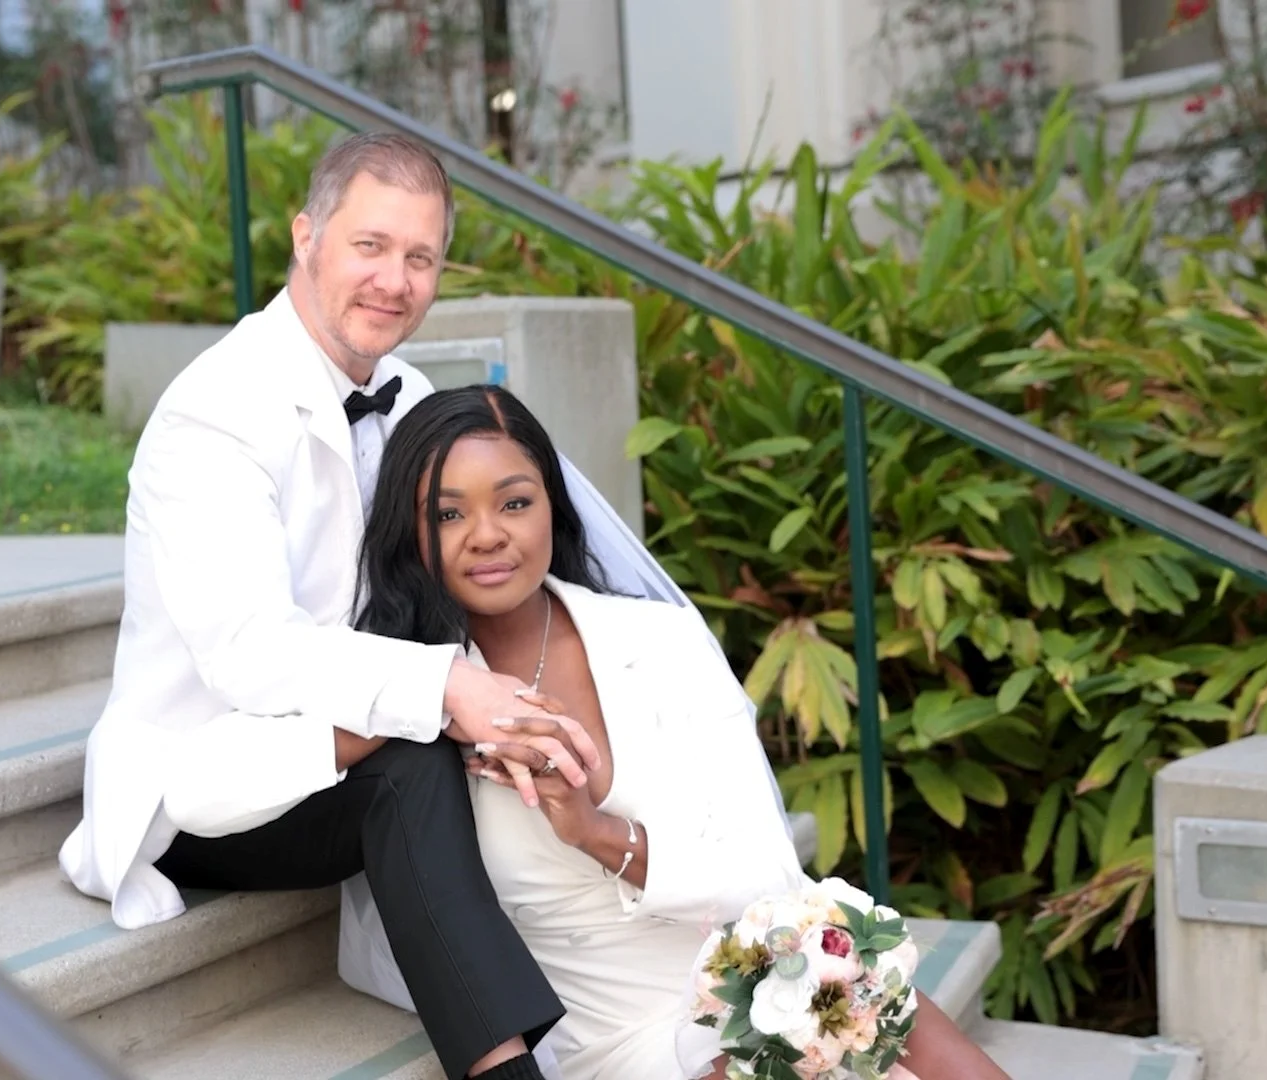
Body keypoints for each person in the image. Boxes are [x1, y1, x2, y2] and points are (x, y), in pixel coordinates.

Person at [58, 130, 655, 1080]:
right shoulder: (212, 412)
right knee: (421, 753)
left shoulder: (409, 395)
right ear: (306, 237)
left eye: (420, 257)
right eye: (370, 246)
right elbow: (250, 655)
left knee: (478, 732)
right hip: (216, 778)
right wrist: (447, 688)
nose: (395, 280)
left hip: (351, 738)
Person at [352, 384, 1014, 1080]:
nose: (487, 534)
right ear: (411, 531)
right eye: (448, 513)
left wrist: (596, 832)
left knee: (875, 992)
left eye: (515, 502)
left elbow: (769, 874)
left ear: (553, 504)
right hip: (623, 1038)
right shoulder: (410, 699)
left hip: (761, 968)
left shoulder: (659, 639)